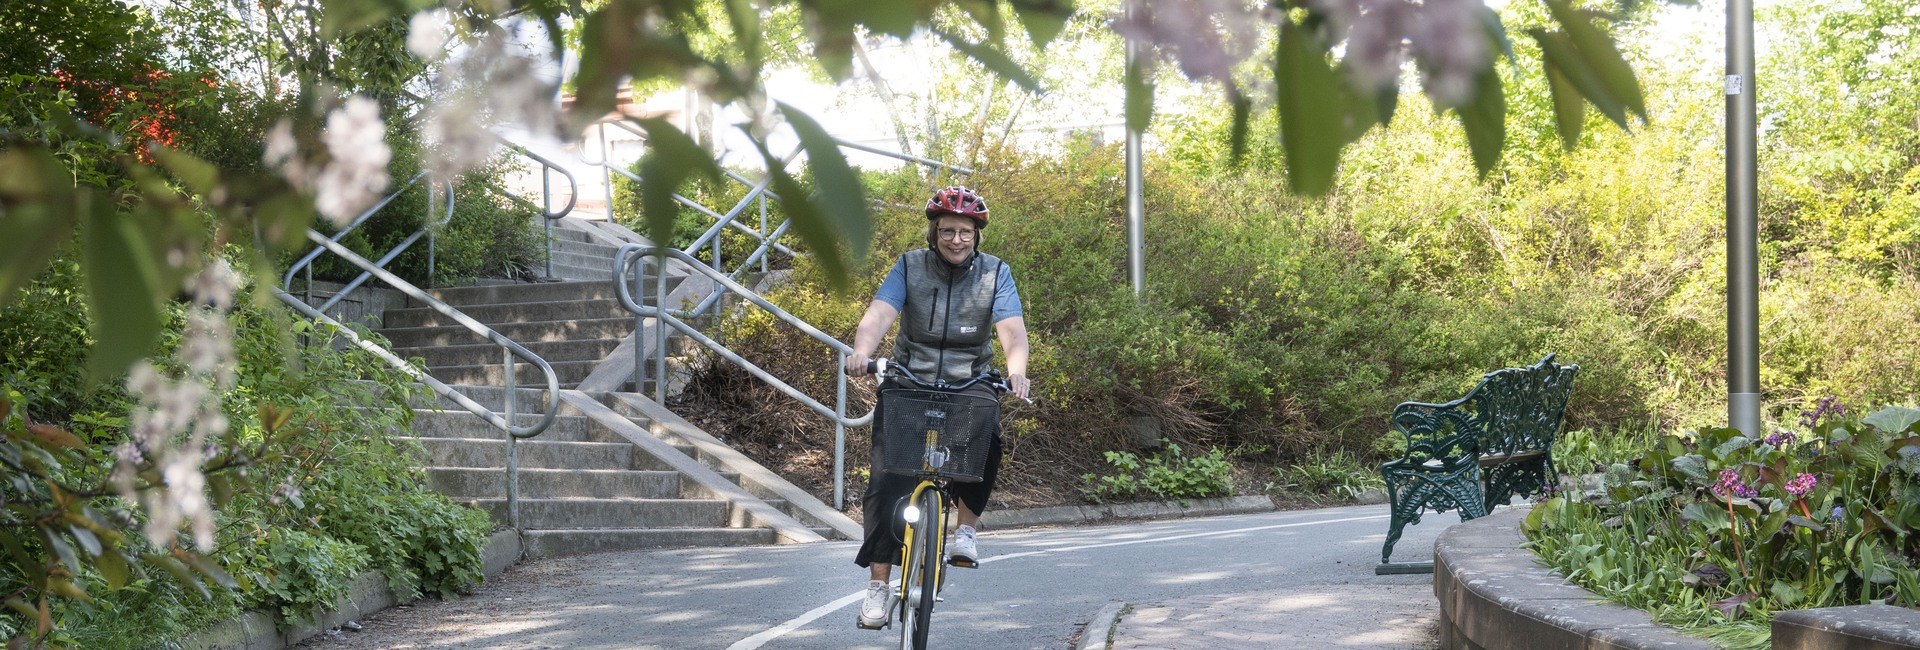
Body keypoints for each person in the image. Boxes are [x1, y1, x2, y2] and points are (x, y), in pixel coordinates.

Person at [844, 185, 1031, 630]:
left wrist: (1017, 370)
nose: (956, 240)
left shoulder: (995, 273)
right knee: (888, 478)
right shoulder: (909, 266)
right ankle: (878, 587)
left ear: (976, 235)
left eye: (965, 232)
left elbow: (1011, 330)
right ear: (934, 232)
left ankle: (964, 531)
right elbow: (880, 313)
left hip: (971, 379)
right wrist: (861, 352)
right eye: (947, 230)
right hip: (911, 377)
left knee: (987, 437)